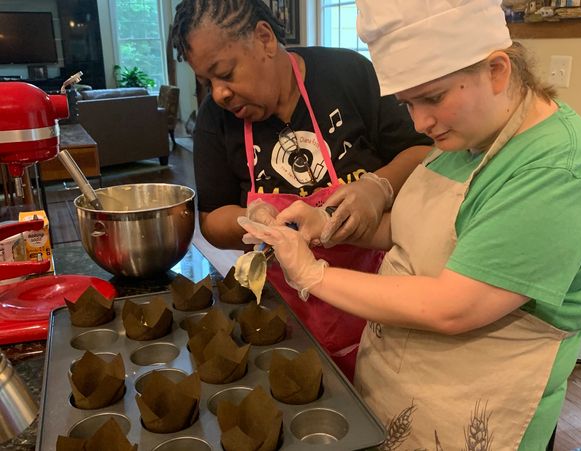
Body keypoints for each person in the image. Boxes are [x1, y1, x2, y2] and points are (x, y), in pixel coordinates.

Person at [237, 0, 581, 448]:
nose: (420, 122)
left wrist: (313, 273)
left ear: (498, 70)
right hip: (402, 391)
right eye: (408, 102)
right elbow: (414, 230)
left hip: (477, 412)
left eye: (433, 97)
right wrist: (322, 223)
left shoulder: (554, 171)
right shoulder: (467, 137)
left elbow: (454, 306)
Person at [170, 0, 432, 379]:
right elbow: (212, 219)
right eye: (207, 82)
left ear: (264, 39)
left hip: (383, 307)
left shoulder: (348, 74)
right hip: (286, 317)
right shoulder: (216, 118)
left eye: (225, 73)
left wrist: (378, 188)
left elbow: (421, 150)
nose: (220, 93)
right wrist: (257, 220)